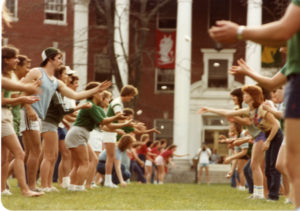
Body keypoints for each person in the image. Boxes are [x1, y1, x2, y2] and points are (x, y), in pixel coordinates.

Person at [209, 1, 300, 207]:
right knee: (288, 162)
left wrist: (240, 31)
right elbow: (271, 82)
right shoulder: (291, 62)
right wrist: (248, 72)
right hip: (295, 81)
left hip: (296, 87)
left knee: (288, 161)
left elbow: (285, 28)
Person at [20, 47, 111, 191]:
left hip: (40, 118)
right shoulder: (36, 72)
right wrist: (29, 108)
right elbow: (23, 88)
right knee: (35, 152)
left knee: (41, 153)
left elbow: (75, 95)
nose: (61, 61)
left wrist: (96, 89)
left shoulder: (56, 82)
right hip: (29, 113)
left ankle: (34, 186)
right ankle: (32, 186)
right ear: (50, 59)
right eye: (59, 58)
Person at [198, 85, 283, 200]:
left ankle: (264, 194)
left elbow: (276, 124)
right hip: (264, 136)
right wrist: (209, 109)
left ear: (252, 96)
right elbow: (228, 113)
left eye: (245, 94)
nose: (243, 96)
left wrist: (267, 141)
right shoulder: (250, 110)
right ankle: (259, 193)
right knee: (258, 166)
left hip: (270, 136)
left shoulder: (262, 108)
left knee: (260, 166)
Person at [65, 82, 133, 191]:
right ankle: (78, 187)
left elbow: (107, 125)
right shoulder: (91, 105)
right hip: (78, 134)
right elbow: (104, 121)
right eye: (100, 92)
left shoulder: (95, 107)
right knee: (84, 163)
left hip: (79, 134)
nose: (102, 94)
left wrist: (125, 124)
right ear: (94, 93)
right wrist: (116, 117)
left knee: (80, 163)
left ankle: (73, 186)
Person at [1, 46, 42, 197]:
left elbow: (11, 98)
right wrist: (22, 97)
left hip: (7, 116)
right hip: (2, 117)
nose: (17, 60)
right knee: (19, 153)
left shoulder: (10, 76)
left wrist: (25, 94)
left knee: (5, 157)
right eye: (15, 58)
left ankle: (2, 189)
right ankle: (25, 189)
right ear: (6, 59)